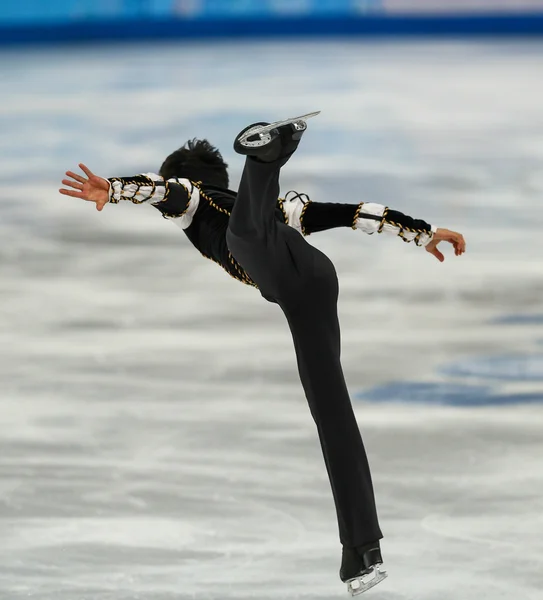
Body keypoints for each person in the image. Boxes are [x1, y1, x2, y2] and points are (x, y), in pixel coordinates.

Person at [59, 116, 466, 595]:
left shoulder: (190, 199)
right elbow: (355, 213)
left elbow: (162, 191)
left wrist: (114, 189)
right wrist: (423, 233)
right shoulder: (274, 209)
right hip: (311, 284)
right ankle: (361, 550)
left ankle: (271, 154)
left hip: (270, 258)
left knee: (246, 236)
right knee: (332, 414)